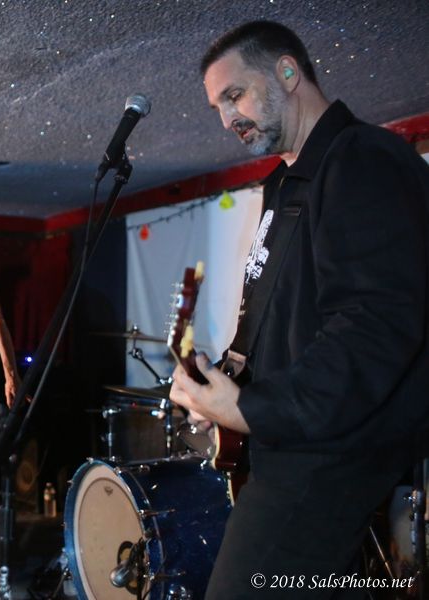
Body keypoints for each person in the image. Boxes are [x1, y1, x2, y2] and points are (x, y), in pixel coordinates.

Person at [169, 21, 429, 599]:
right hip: (295, 444)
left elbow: (375, 325)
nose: (226, 119)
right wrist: (224, 389)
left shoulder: (363, 159)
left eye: (235, 95)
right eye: (218, 106)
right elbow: (280, 325)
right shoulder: (286, 186)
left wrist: (253, 408)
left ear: (287, 73)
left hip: (328, 455)